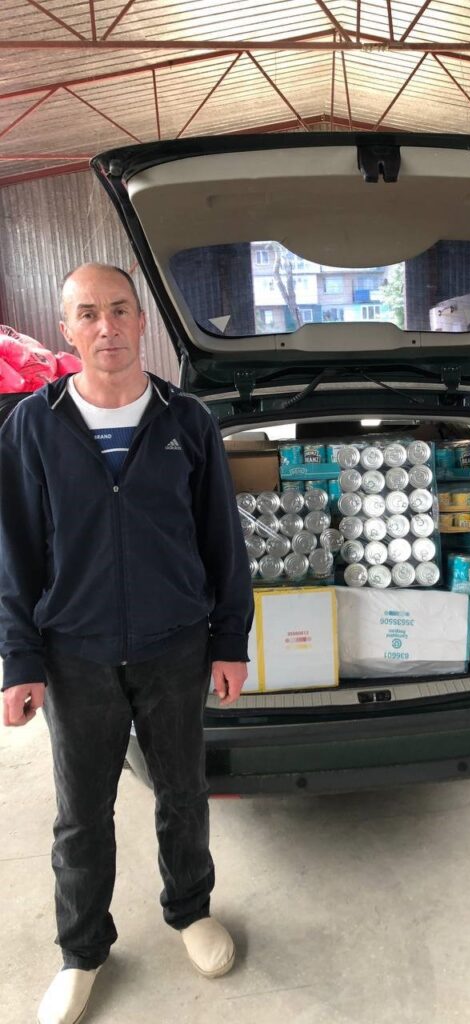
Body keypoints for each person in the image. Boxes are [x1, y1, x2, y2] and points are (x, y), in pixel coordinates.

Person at [0, 263, 254, 1024]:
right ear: (67, 329)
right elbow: (13, 552)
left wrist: (229, 639)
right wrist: (20, 660)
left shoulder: (187, 423)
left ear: (142, 322)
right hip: (74, 653)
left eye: (118, 311)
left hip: (174, 646)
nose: (105, 328)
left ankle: (190, 910)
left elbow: (223, 542)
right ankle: (82, 951)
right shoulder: (32, 427)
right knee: (82, 813)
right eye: (87, 314)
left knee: (183, 793)